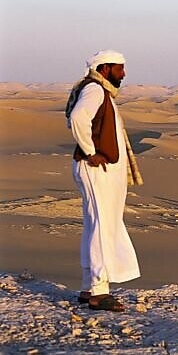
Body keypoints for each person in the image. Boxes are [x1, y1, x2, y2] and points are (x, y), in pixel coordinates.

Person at [65, 50, 142, 312]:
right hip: (96, 171)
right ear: (106, 68)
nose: (124, 73)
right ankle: (99, 291)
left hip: (101, 172)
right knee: (101, 226)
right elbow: (77, 119)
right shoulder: (95, 90)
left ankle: (90, 287)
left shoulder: (100, 90)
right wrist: (90, 152)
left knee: (96, 224)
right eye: (120, 68)